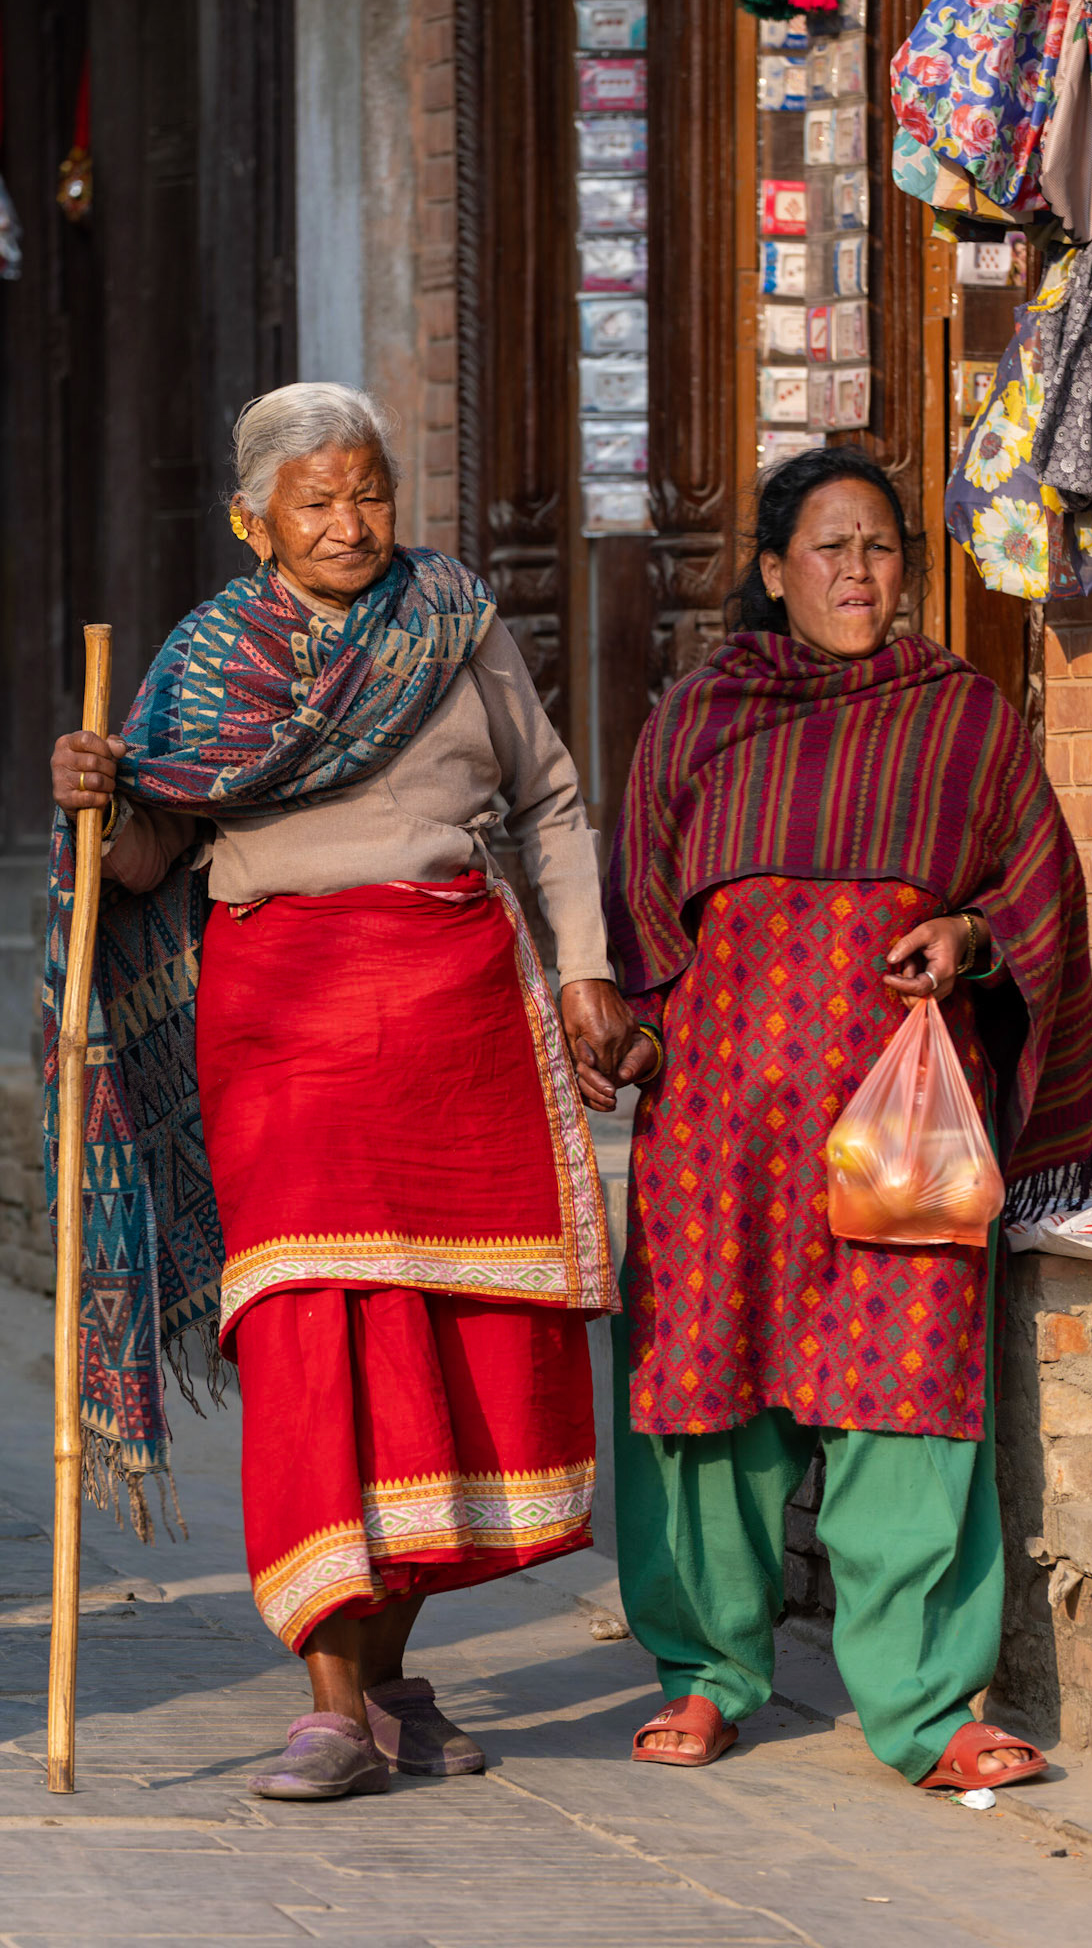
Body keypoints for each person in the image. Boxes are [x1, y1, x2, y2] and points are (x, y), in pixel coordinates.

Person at [47, 382, 654, 1801]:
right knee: (313, 1332)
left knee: (455, 1338)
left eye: (367, 489)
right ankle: (329, 1699)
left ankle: (385, 1677)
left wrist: (584, 970)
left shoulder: (452, 620)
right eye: (313, 501)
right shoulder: (208, 659)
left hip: (457, 1012)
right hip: (286, 1028)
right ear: (254, 522)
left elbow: (552, 805)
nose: (347, 521)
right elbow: (145, 859)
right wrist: (98, 796)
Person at [604, 447, 1092, 1789]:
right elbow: (641, 897)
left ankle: (929, 1708)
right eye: (825, 549)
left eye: (879, 547)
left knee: (906, 1399)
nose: (855, 573)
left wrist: (968, 934)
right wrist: (644, 1024)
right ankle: (707, 1672)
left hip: (899, 1124)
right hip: (718, 1126)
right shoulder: (703, 711)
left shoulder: (961, 718)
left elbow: (1035, 892)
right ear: (772, 574)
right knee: (703, 1398)